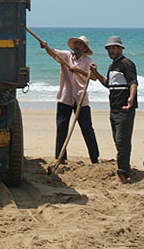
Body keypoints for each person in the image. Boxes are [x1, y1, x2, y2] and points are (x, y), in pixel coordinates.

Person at [40, 36, 99, 164]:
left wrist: (78, 70)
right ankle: (60, 157)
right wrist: (46, 46)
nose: (77, 45)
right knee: (62, 128)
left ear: (84, 48)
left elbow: (94, 77)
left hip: (81, 99)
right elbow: (53, 52)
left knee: (87, 129)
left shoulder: (88, 61)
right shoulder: (66, 56)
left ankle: (95, 158)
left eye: (80, 44)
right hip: (65, 98)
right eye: (76, 43)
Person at [90, 36, 138, 184]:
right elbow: (108, 84)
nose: (111, 51)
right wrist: (96, 73)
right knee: (118, 141)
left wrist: (131, 98)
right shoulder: (112, 66)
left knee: (122, 141)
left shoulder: (126, 63)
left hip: (125, 108)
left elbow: (133, 82)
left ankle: (122, 175)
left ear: (120, 49)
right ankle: (125, 168)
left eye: (113, 48)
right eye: (109, 49)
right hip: (114, 108)